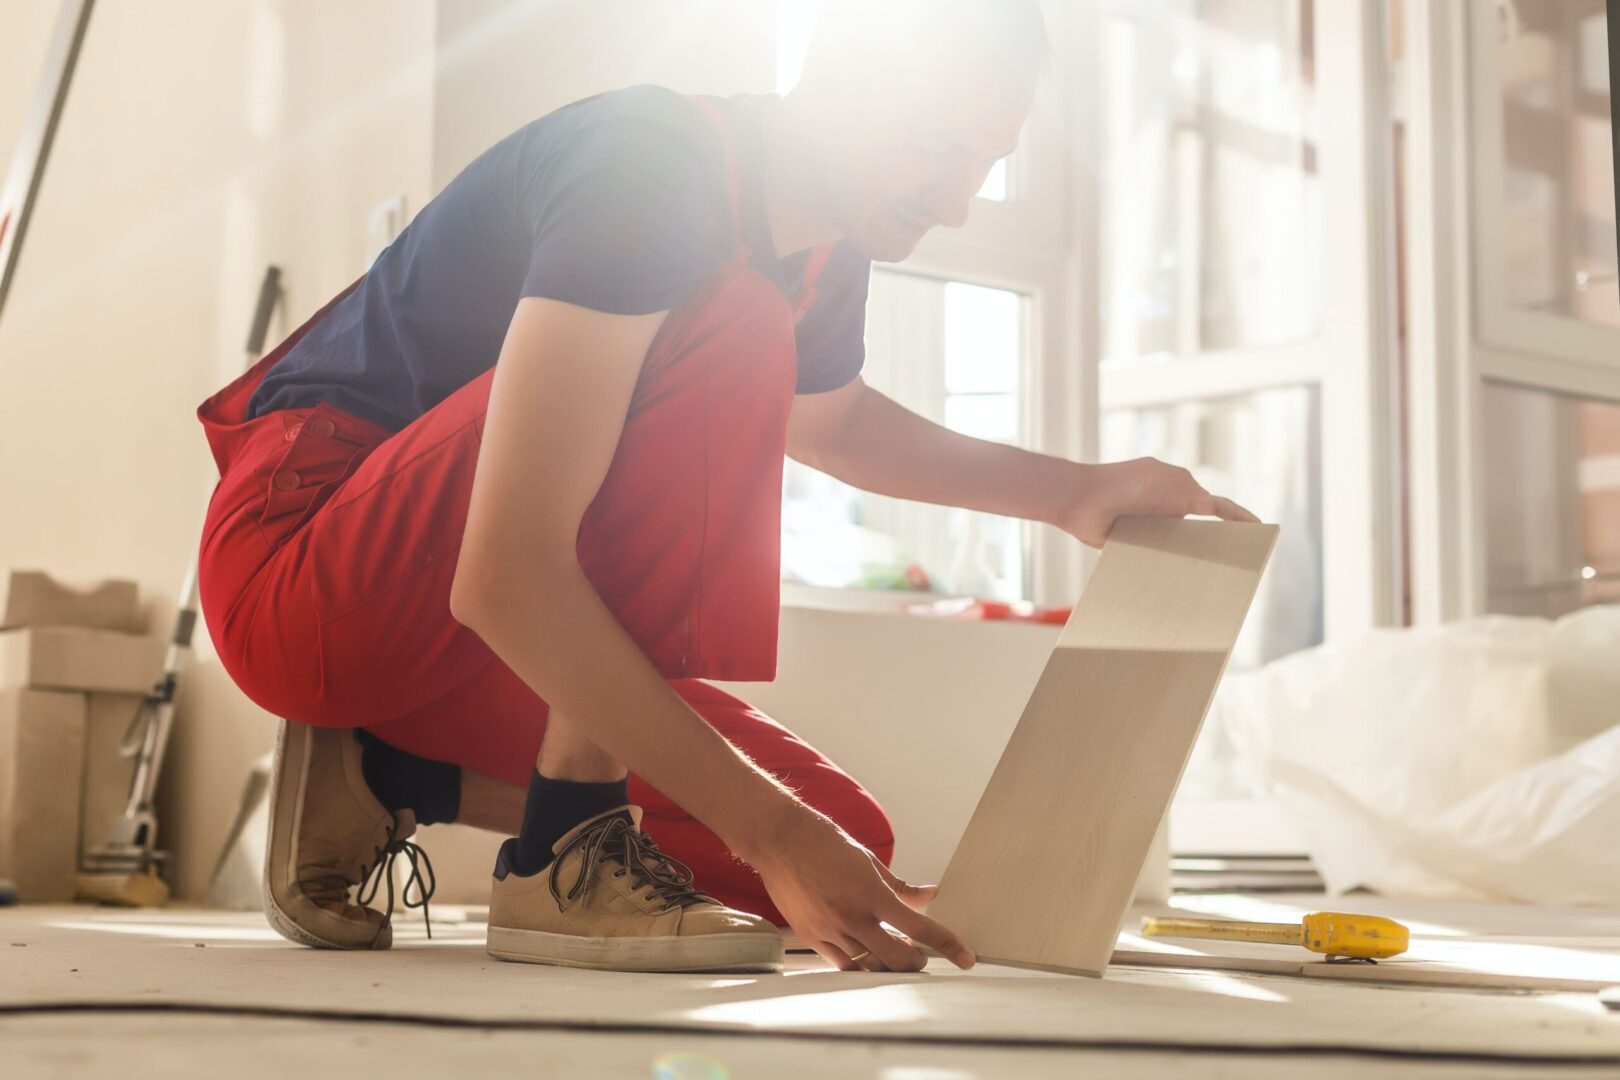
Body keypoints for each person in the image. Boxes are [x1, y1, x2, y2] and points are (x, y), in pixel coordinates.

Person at [195, 0, 1255, 975]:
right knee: (737, 332)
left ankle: (386, 776)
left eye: (986, 164)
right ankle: (566, 851)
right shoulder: (652, 167)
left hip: (442, 641)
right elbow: (510, 576)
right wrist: (776, 830)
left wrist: (1073, 493)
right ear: (840, 77)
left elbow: (830, 419)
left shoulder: (823, 247)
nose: (958, 204)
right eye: (938, 150)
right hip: (304, 576)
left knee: (853, 854)